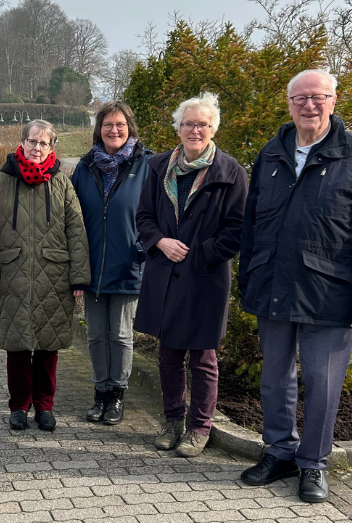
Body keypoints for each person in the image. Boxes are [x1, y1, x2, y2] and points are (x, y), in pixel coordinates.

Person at [238, 69, 352, 502]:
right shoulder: (271, 154)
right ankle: (280, 452)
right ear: (289, 104)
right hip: (271, 285)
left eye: (318, 97)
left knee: (322, 382)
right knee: (274, 378)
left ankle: (313, 464)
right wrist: (247, 277)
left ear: (333, 100)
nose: (309, 105)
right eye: (300, 98)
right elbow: (253, 224)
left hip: (331, 292)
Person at [135, 92, 247, 457]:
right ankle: (173, 422)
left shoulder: (231, 173)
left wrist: (199, 255)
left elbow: (238, 229)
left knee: (203, 358)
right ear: (178, 128)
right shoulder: (157, 167)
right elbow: (144, 218)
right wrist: (161, 242)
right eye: (188, 123)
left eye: (202, 124)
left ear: (213, 128)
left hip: (205, 278)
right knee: (168, 355)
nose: (195, 130)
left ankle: (200, 428)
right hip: (165, 273)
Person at [0, 119, 91, 432]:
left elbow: (76, 231)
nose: (37, 148)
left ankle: (44, 406)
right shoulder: (2, 181)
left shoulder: (62, 183)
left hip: (54, 273)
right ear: (22, 143)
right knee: (17, 345)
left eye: (43, 143)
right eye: (32, 141)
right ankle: (18, 406)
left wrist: (80, 278)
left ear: (52, 147)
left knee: (46, 346)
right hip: (13, 272)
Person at [71, 101, 154, 426]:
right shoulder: (86, 165)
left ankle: (117, 395)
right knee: (95, 334)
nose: (114, 130)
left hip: (127, 265)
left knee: (120, 334)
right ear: (99, 129)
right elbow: (73, 214)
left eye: (120, 124)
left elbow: (157, 213)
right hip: (90, 266)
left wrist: (141, 249)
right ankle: (100, 392)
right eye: (108, 125)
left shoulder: (146, 164)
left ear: (129, 127)